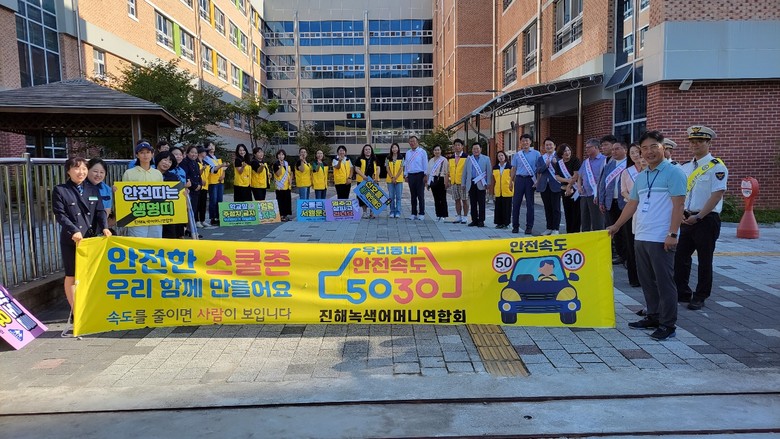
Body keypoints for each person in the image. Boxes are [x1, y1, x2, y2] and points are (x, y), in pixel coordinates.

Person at [607, 130, 686, 341]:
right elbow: (632, 204)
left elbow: (679, 205)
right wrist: (616, 226)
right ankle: (653, 315)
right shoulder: (642, 176)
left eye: (653, 147)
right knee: (647, 280)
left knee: (664, 281)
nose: (649, 152)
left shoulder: (674, 172)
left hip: (661, 236)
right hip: (641, 235)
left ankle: (668, 324)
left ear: (663, 148)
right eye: (644, 148)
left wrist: (673, 233)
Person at [675, 125, 728, 311]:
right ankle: (682, 292)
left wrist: (698, 216)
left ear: (708, 142)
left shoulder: (717, 167)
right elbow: (681, 192)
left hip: (706, 219)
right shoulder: (685, 167)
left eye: (699, 141)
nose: (695, 144)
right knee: (680, 257)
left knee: (705, 260)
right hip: (686, 217)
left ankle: (700, 296)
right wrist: (682, 213)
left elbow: (717, 195)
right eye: (692, 141)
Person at [53, 157, 111, 317]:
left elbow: (100, 211)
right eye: (77, 168)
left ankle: (89, 308)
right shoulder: (60, 190)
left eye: (84, 168)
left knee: (89, 275)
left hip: (90, 239)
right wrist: (73, 230)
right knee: (72, 275)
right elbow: (60, 214)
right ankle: (76, 312)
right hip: (71, 239)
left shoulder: (93, 189)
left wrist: (105, 228)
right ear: (68, 171)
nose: (81, 172)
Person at [122, 141, 164, 238]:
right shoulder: (129, 173)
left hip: (155, 214)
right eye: (142, 152)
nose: (145, 155)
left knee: (155, 240)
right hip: (137, 214)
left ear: (152, 154)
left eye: (148, 152)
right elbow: (124, 194)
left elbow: (162, 193)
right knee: (138, 241)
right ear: (137, 155)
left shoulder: (157, 173)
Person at [598, 141, 628, 264]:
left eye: (617, 149)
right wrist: (601, 201)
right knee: (615, 230)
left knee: (626, 231)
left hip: (625, 203)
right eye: (613, 149)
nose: (614, 151)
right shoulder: (609, 165)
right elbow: (602, 184)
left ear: (625, 150)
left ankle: (628, 256)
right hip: (610, 202)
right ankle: (620, 255)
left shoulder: (630, 164)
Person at [620, 143, 645, 288]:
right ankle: (634, 278)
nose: (636, 155)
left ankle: (646, 276)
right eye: (632, 153)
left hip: (646, 211)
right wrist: (633, 200)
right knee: (631, 244)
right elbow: (623, 190)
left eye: (637, 152)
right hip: (631, 209)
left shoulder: (648, 170)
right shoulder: (626, 172)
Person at [510, 133, 541, 234]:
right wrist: (510, 181)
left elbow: (539, 169)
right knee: (516, 204)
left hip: (530, 180)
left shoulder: (536, 154)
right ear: (521, 142)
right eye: (523, 141)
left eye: (527, 140)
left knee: (530, 204)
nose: (525, 142)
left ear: (530, 142)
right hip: (519, 180)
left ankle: (529, 227)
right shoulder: (517, 155)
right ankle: (515, 226)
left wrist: (538, 181)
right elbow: (514, 169)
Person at [576, 138, 607, 232]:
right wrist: (579, 186)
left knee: (597, 221)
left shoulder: (604, 160)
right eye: (586, 148)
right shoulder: (586, 162)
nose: (586, 149)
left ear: (596, 147)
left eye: (589, 147)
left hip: (596, 194)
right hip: (584, 194)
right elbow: (579, 176)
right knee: (584, 220)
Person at [154, 151, 184, 239]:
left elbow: (178, 193)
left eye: (170, 162)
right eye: (165, 160)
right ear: (158, 160)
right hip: (153, 209)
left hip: (168, 209)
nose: (167, 163)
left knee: (170, 234)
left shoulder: (173, 177)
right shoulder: (149, 174)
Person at [536, 138, 562, 235]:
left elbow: (562, 171)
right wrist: (546, 165)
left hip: (556, 185)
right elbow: (538, 170)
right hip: (544, 186)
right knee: (547, 208)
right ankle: (549, 227)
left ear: (554, 146)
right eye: (546, 145)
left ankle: (556, 228)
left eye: (550, 144)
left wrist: (555, 164)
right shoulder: (541, 158)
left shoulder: (559, 157)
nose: (548, 146)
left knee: (556, 208)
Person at [554, 143, 580, 233]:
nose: (567, 152)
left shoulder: (575, 160)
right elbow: (557, 176)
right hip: (564, 190)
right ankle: (569, 232)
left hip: (575, 190)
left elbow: (576, 175)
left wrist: (569, 186)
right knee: (567, 212)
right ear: (561, 153)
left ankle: (575, 232)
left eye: (568, 150)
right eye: (565, 151)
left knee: (576, 213)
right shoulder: (559, 163)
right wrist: (567, 181)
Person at [463, 142, 491, 227]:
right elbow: (465, 172)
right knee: (473, 202)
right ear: (472, 150)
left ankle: (481, 220)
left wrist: (488, 183)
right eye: (474, 149)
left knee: (481, 203)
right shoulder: (469, 159)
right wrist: (463, 183)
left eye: (477, 148)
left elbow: (489, 172)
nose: (476, 150)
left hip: (481, 183)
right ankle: (474, 220)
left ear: (480, 149)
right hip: (471, 183)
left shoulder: (486, 159)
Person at [403, 135, 428, 220]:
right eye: (410, 141)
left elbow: (425, 163)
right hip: (411, 175)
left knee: (420, 195)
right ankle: (413, 213)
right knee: (413, 195)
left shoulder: (422, 152)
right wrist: (406, 174)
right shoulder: (408, 153)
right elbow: (406, 164)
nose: (412, 143)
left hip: (420, 174)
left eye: (414, 141)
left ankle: (421, 213)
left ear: (417, 142)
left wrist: (425, 174)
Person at [204, 142, 229, 226]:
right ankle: (213, 217)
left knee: (220, 200)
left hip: (220, 180)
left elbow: (223, 168)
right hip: (213, 181)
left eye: (213, 145)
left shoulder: (217, 157)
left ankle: (219, 217)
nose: (212, 147)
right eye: (209, 146)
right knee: (213, 200)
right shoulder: (206, 158)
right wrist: (221, 166)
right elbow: (212, 169)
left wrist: (223, 175)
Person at [86, 158, 113, 231]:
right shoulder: (80, 187)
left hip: (99, 227)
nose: (98, 175)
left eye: (102, 172)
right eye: (95, 171)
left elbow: (107, 209)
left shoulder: (107, 189)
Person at [353, 144, 379, 219]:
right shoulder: (359, 159)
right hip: (362, 180)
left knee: (373, 197)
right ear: (363, 151)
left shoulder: (375, 159)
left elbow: (378, 168)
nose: (368, 151)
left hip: (373, 181)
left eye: (369, 149)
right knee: (362, 197)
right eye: (366, 149)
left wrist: (376, 178)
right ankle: (364, 212)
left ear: (371, 151)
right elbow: (357, 169)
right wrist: (363, 176)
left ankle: (372, 212)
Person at [448, 138, 469, 224]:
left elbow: (468, 171)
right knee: (456, 200)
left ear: (462, 146)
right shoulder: (451, 158)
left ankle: (465, 217)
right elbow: (450, 170)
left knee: (465, 200)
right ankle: (458, 216)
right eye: (455, 145)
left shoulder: (466, 157)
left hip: (463, 183)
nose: (457, 147)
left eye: (459, 145)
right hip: (454, 182)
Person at [426, 145, 449, 221]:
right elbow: (428, 172)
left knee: (442, 198)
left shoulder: (444, 160)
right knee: (436, 198)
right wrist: (428, 183)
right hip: (433, 179)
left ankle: (444, 215)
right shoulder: (431, 160)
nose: (437, 151)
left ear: (441, 151)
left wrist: (446, 182)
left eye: (438, 150)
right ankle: (438, 214)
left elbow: (447, 172)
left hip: (441, 179)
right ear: (433, 151)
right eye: (435, 150)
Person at [492, 150, 513, 229]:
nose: (501, 157)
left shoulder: (509, 167)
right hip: (498, 190)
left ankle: (506, 223)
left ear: (505, 157)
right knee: (498, 207)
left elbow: (513, 178)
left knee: (507, 208)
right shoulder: (495, 167)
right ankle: (499, 223)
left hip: (507, 190)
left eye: (502, 155)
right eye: (499, 156)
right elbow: (494, 180)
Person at [385, 143, 404, 218]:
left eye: (396, 147)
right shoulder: (388, 158)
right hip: (390, 180)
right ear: (391, 149)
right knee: (391, 196)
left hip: (399, 180)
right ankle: (392, 211)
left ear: (398, 149)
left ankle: (398, 212)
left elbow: (401, 168)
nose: (394, 149)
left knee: (398, 197)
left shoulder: (401, 157)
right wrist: (392, 177)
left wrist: (395, 178)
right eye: (393, 147)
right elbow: (387, 168)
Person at [273, 149, 293, 221]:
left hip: (287, 186)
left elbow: (291, 173)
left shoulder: (287, 163)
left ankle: (285, 215)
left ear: (284, 156)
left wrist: (291, 179)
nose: (281, 156)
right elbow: (278, 174)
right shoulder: (276, 164)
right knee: (280, 201)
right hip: (280, 186)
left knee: (287, 201)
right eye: (279, 154)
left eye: (282, 154)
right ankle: (281, 216)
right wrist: (281, 166)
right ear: (277, 156)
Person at [196, 147, 210, 229]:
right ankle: (197, 220)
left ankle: (203, 220)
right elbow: (197, 173)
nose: (205, 153)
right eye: (204, 152)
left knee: (203, 204)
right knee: (197, 204)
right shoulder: (196, 162)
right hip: (198, 185)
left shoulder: (205, 162)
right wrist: (202, 169)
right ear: (200, 153)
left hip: (205, 186)